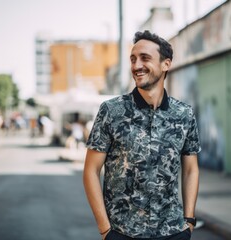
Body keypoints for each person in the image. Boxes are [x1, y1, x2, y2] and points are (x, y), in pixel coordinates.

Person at [83, 30, 201, 240]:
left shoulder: (184, 114)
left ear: (166, 64)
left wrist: (189, 221)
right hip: (123, 233)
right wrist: (105, 231)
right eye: (133, 59)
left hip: (172, 232)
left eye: (145, 58)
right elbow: (91, 170)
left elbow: (191, 168)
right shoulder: (111, 111)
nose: (136, 66)